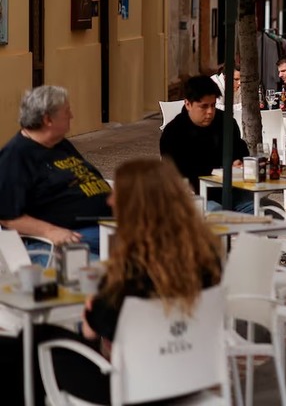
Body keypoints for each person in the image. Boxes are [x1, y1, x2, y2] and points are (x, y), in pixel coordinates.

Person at [1, 159, 223, 404]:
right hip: (189, 379)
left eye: (117, 194)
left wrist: (92, 306)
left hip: (129, 390)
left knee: (29, 340)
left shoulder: (128, 274)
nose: (110, 200)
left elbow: (90, 330)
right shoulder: (207, 260)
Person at [0, 85, 111, 258]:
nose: (71, 116)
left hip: (105, 228)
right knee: (114, 277)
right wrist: (51, 231)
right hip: (67, 239)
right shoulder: (15, 156)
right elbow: (8, 216)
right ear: (48, 120)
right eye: (67, 111)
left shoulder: (60, 144)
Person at [159, 75, 252, 212]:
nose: (209, 112)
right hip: (195, 196)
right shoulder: (173, 133)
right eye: (203, 106)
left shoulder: (225, 122)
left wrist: (239, 162)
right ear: (188, 104)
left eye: (213, 105)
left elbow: (240, 151)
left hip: (232, 191)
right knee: (217, 214)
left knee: (259, 210)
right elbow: (176, 175)